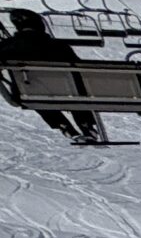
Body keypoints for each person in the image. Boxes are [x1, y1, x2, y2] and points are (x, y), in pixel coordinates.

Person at [0, 10, 107, 142]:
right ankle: (86, 125)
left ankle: (63, 126)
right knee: (75, 92)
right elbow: (80, 68)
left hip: (27, 93)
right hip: (68, 92)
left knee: (35, 96)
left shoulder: (6, 46)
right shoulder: (60, 46)